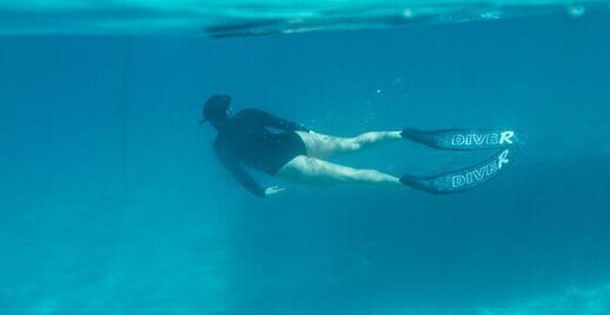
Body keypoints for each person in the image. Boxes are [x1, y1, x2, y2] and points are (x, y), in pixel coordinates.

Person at [201, 94, 518, 197]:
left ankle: (409, 183)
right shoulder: (246, 113)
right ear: (227, 110)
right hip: (296, 139)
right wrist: (306, 130)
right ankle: (405, 134)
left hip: (284, 164)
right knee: (354, 143)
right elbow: (279, 120)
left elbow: (239, 174)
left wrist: (261, 193)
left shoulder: (219, 147)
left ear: (213, 122)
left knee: (352, 176)